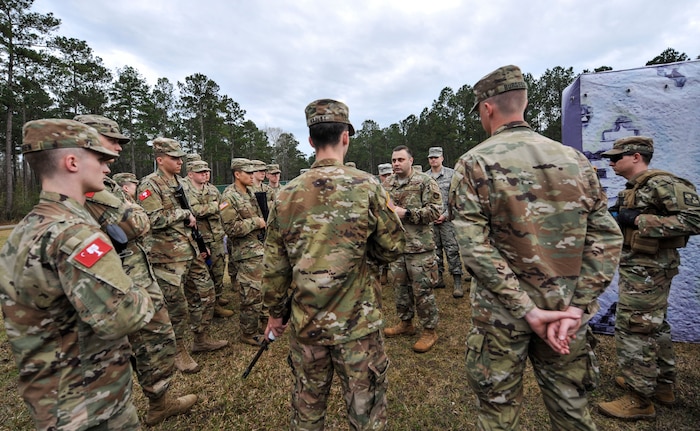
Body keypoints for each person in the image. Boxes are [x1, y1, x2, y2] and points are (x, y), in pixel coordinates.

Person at [450, 64, 623, 430]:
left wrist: (526, 309)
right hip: (563, 313)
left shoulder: (474, 163)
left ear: (487, 109)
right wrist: (577, 307)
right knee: (572, 411)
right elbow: (606, 239)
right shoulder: (575, 160)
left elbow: (473, 248)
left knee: (498, 415)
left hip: (501, 317)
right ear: (524, 103)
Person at [0, 119, 155, 430]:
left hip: (53, 397)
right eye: (98, 159)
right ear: (72, 162)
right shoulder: (76, 234)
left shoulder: (27, 228)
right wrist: (139, 291)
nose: (107, 168)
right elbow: (124, 317)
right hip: (90, 402)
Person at [263, 98, 405, 430]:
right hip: (357, 326)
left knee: (308, 408)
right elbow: (392, 247)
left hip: (306, 322)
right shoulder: (368, 186)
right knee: (366, 411)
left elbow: (274, 266)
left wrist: (274, 313)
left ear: (311, 140)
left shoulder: (285, 195)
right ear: (346, 137)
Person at [75, 114, 197, 425]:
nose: (117, 148)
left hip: (137, 271)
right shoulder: (86, 185)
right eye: (111, 140)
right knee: (123, 349)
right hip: (116, 279)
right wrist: (138, 213)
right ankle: (125, 410)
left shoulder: (106, 182)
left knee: (154, 341)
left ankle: (160, 400)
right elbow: (137, 222)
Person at [597, 136, 700, 420]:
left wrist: (640, 220)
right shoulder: (636, 188)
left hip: (650, 270)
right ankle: (662, 386)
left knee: (635, 328)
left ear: (636, 157)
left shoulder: (663, 183)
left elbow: (695, 219)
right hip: (640, 267)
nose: (611, 162)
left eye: (617, 157)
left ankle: (639, 397)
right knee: (655, 326)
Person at [137, 138, 228, 374]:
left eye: (180, 158)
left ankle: (201, 338)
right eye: (174, 158)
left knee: (206, 293)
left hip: (191, 250)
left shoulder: (180, 182)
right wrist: (183, 214)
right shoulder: (150, 185)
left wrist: (200, 245)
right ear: (160, 159)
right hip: (168, 257)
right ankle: (177, 350)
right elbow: (153, 220)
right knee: (176, 307)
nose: (180, 162)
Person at [383, 145, 443, 353]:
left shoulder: (425, 182)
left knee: (423, 291)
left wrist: (407, 213)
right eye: (393, 160)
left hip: (420, 248)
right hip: (397, 247)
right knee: (400, 289)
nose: (396, 164)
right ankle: (406, 323)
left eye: (400, 160)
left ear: (410, 160)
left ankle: (429, 330)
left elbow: (435, 211)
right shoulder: (387, 184)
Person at [220, 158, 268, 346]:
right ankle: (248, 332)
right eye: (248, 173)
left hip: (259, 248)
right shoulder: (228, 197)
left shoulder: (251, 193)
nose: (251, 176)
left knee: (263, 289)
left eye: (252, 172)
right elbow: (230, 228)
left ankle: (263, 322)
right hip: (246, 252)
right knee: (251, 293)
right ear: (237, 174)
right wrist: (255, 222)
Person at [184, 159, 234, 318]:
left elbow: (224, 206)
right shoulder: (185, 190)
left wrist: (214, 208)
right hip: (199, 239)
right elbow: (194, 210)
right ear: (190, 174)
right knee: (202, 274)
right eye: (201, 172)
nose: (205, 174)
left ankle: (217, 300)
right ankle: (204, 305)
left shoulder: (212, 189)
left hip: (217, 236)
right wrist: (214, 208)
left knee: (218, 270)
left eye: (207, 171)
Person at [427, 146, 465, 298]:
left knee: (452, 249)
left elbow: (457, 198)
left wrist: (445, 215)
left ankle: (457, 281)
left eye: (436, 157)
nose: (433, 160)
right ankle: (439, 277)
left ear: (442, 158)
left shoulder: (452, 175)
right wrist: (432, 215)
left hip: (448, 220)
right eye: (431, 157)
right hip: (432, 220)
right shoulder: (425, 176)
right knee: (435, 250)